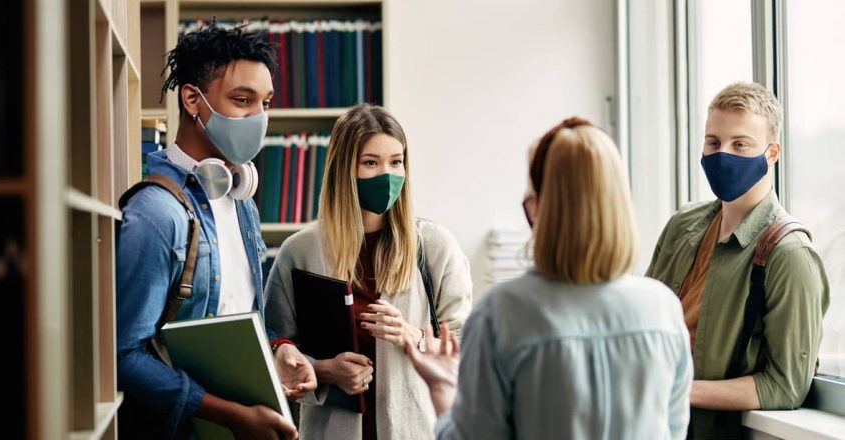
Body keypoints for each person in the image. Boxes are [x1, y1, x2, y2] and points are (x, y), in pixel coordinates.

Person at [405, 117, 693, 439]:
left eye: (529, 197)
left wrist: (442, 389)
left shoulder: (502, 313)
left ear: (540, 208)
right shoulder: (663, 309)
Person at [116, 25, 316, 439]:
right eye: (242, 100)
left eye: (265, 103)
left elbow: (236, 319)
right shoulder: (156, 213)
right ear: (193, 99)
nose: (258, 118)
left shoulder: (241, 199)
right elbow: (125, 356)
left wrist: (278, 353)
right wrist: (231, 415)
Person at [265, 104, 473, 440]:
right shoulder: (299, 251)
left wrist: (415, 338)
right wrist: (323, 371)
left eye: (396, 161)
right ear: (344, 169)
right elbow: (274, 347)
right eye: (370, 163)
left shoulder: (435, 246)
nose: (387, 175)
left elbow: (467, 349)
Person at [646, 82, 830, 438]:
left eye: (740, 144)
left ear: (772, 153)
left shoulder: (790, 256)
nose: (722, 155)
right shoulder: (682, 224)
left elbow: (786, 384)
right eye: (713, 142)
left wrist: (678, 390)